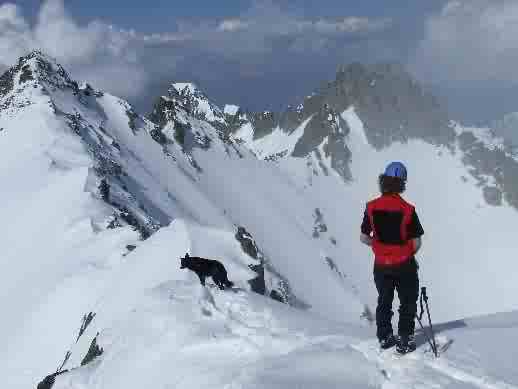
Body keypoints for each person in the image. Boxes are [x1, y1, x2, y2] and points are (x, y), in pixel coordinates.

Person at [360, 161, 424, 354]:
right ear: (402, 183)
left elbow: (364, 238)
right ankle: (405, 340)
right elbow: (416, 243)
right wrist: (406, 254)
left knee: (384, 300)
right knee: (407, 301)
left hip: (381, 265)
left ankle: (385, 337)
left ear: (384, 181)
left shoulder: (371, 207)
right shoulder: (408, 209)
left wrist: (380, 247)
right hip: (404, 264)